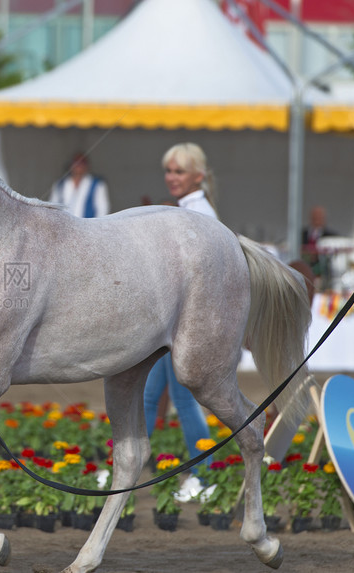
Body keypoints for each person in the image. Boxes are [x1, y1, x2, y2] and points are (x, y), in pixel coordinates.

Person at [144, 143, 215, 498]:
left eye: (179, 172)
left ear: (198, 176)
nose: (172, 178)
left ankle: (204, 473)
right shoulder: (187, 210)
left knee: (183, 400)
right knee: (148, 395)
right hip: (168, 323)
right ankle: (122, 469)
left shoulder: (199, 214)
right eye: (169, 171)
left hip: (183, 324)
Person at [49, 152, 110, 218]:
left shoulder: (98, 184)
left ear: (87, 166)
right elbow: (53, 207)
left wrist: (95, 226)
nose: (79, 166)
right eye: (76, 162)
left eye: (82, 163)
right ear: (71, 165)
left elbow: (102, 209)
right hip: (64, 226)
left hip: (87, 226)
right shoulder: (60, 184)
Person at [301, 205, 338, 279]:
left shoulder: (331, 235)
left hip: (322, 270)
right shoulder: (301, 234)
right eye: (315, 217)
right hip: (305, 268)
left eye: (319, 217)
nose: (317, 219)